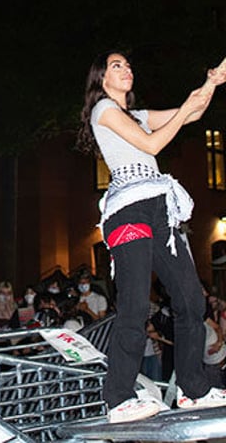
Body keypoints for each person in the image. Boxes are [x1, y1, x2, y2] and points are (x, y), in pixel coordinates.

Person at [77, 50, 226, 423]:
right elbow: (152, 145)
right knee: (135, 303)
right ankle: (118, 398)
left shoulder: (137, 116)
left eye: (128, 63)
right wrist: (186, 108)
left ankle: (193, 389)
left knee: (192, 300)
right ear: (101, 79)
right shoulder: (103, 112)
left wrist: (210, 82)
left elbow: (191, 114)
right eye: (116, 65)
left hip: (160, 209)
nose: (126, 68)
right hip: (129, 210)